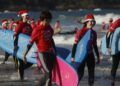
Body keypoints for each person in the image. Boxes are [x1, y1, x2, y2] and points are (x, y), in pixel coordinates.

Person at [23, 10, 56, 86]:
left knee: (49, 73)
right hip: (42, 53)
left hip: (50, 53)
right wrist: (24, 54)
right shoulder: (37, 30)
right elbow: (30, 43)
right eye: (49, 20)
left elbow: (51, 39)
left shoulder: (49, 28)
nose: (50, 22)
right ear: (45, 20)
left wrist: (55, 51)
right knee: (48, 72)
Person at [71, 13, 100, 86]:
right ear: (86, 22)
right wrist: (73, 57)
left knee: (91, 74)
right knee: (80, 73)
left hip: (90, 54)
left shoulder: (94, 33)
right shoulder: (81, 31)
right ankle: (74, 84)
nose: (91, 23)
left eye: (93, 21)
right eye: (89, 21)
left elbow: (95, 45)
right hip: (81, 55)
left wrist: (98, 56)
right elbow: (75, 44)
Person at [13, 9, 33, 80]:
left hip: (28, 47)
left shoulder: (29, 25)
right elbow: (15, 35)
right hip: (21, 46)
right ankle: (21, 78)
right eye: (26, 16)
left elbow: (32, 35)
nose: (27, 17)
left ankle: (20, 70)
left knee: (30, 62)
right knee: (21, 62)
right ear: (22, 17)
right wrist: (15, 45)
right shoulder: (20, 25)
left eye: (28, 15)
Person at [106, 18, 120, 86]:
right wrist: (108, 46)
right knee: (115, 64)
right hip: (116, 48)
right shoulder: (118, 22)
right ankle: (112, 80)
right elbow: (108, 34)